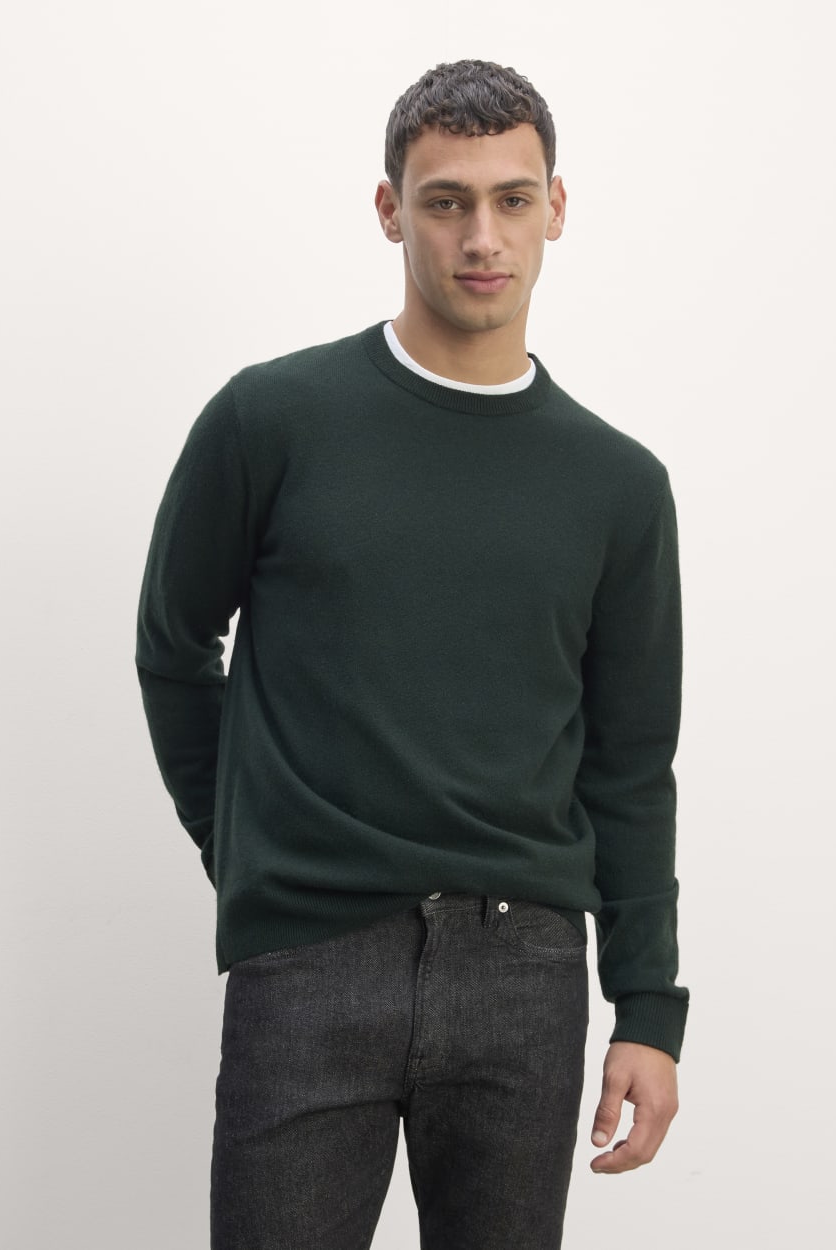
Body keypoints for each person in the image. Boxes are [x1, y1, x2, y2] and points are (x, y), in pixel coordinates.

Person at [137, 58, 689, 1250]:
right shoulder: (272, 419)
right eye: (446, 201)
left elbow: (631, 762)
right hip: (310, 955)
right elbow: (173, 645)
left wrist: (647, 1007)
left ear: (555, 207)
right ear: (390, 210)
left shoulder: (618, 486)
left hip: (525, 966)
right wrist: (244, 849)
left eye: (511, 198)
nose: (481, 236)